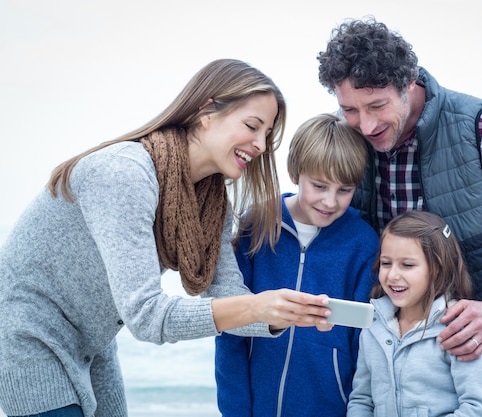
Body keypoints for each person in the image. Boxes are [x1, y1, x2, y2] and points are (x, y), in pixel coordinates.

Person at [0, 59, 333, 417]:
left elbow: (227, 294)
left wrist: (284, 313)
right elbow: (147, 316)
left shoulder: (210, 199)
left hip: (92, 344)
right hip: (26, 335)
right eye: (253, 126)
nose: (261, 145)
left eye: (267, 134)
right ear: (207, 110)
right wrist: (256, 306)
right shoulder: (124, 174)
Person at [317, 17, 482, 417]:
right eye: (349, 109)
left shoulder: (478, 127)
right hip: (388, 366)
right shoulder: (351, 139)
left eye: (377, 106)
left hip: (481, 358)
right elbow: (322, 213)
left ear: (408, 83)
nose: (365, 125)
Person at [214, 113, 380, 417]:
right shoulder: (259, 224)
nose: (330, 202)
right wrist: (234, 410)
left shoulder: (363, 244)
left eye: (344, 190)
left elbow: (365, 347)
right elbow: (231, 329)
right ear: (295, 172)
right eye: (319, 186)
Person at [348, 210, 482, 416]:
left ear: (437, 269)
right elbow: (362, 400)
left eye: (408, 265)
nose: (393, 274)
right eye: (386, 263)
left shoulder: (459, 330)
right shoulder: (373, 328)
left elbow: (479, 409)